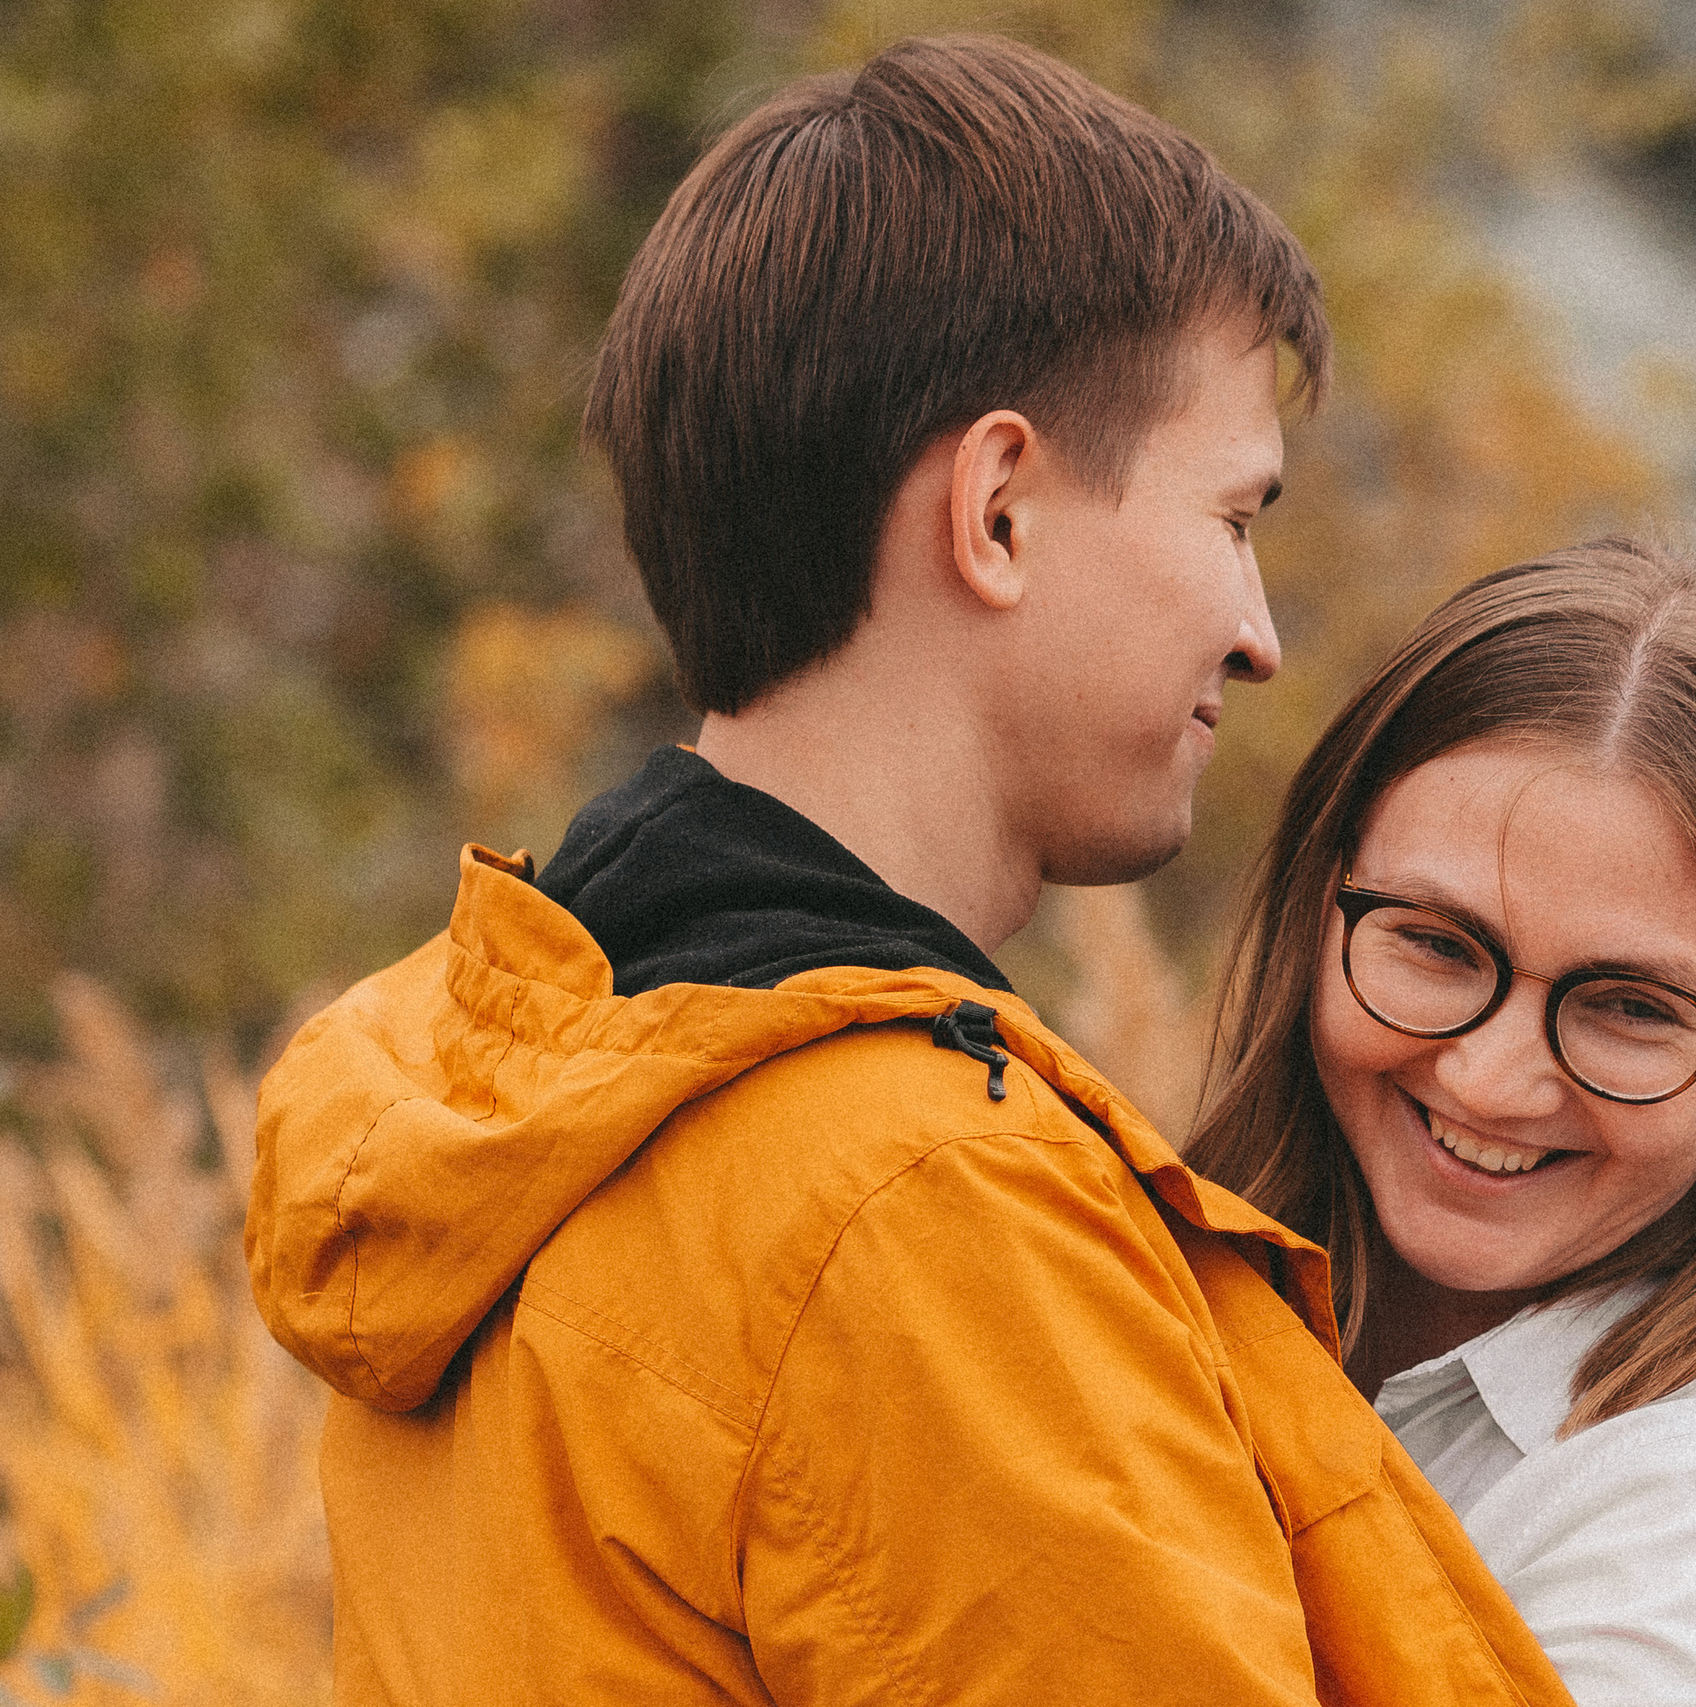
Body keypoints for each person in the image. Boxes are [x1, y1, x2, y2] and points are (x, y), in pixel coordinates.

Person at [244, 36, 1572, 1707]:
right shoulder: (914, 1209)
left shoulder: (498, 1082)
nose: (1261, 635)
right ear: (999, 508)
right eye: (1235, 516)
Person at [1186, 539, 1696, 1705]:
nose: (1489, 1080)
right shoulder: (1167, 1300)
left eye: (1629, 1008)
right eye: (1435, 944)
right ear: (1317, 905)